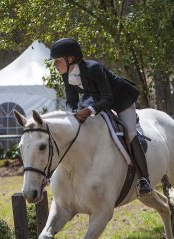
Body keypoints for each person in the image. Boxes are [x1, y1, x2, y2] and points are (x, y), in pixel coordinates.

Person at [49, 38, 151, 196]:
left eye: (57, 61)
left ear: (70, 59)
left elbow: (108, 98)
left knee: (130, 134)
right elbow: (71, 100)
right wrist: (74, 112)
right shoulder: (66, 74)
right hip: (96, 100)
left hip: (121, 100)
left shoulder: (94, 68)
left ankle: (144, 179)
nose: (55, 65)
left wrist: (88, 110)